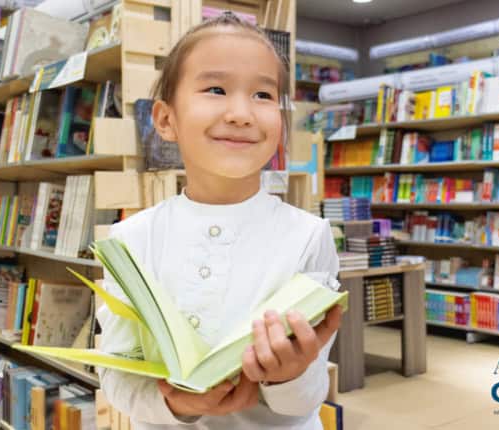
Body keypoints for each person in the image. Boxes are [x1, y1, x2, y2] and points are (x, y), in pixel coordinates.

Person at [96, 13, 343, 430]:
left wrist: (290, 373)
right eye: (216, 89)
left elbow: (308, 396)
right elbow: (117, 379)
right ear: (166, 119)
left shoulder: (309, 235)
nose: (242, 113)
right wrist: (179, 405)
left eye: (264, 95)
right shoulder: (128, 240)